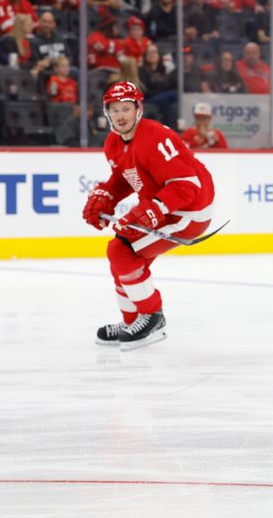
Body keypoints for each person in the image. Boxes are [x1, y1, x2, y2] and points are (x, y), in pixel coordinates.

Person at [81, 81, 215, 350]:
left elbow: (187, 186)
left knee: (121, 251)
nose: (121, 115)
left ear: (138, 109)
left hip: (188, 211)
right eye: (115, 109)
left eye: (126, 109)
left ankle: (152, 318)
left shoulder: (156, 137)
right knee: (120, 251)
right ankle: (134, 321)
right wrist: (106, 196)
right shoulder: (113, 143)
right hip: (163, 208)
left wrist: (154, 208)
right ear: (107, 112)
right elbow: (124, 178)